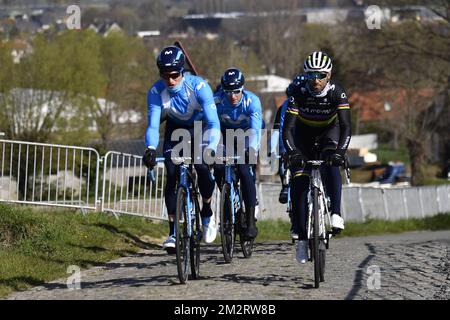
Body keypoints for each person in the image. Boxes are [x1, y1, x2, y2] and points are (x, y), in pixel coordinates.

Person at [142, 46, 221, 253]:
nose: (170, 80)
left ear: (182, 72)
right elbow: (152, 125)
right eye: (165, 76)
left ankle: (206, 211)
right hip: (174, 130)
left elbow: (213, 123)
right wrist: (150, 148)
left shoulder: (199, 87)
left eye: (175, 75)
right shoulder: (156, 92)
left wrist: (211, 148)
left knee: (202, 167)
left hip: (200, 128)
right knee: (171, 175)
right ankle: (173, 232)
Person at [282, 51, 351, 263]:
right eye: (311, 75)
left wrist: (340, 153)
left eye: (320, 75)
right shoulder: (299, 93)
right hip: (302, 137)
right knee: (300, 184)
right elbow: (287, 130)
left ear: (328, 75)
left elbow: (346, 126)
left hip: (329, 133)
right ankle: (302, 240)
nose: (315, 80)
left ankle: (336, 213)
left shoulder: (337, 93)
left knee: (331, 161)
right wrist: (292, 153)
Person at [213, 68, 262, 240]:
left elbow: (256, 130)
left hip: (247, 137)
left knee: (243, 169)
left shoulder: (252, 101)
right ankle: (228, 197)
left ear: (243, 88)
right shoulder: (217, 102)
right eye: (228, 92)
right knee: (218, 167)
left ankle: (249, 221)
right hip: (225, 138)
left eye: (236, 91)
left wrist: (252, 149)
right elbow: (210, 127)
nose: (233, 96)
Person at [270, 74, 307, 239]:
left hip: (306, 141)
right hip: (289, 140)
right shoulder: (284, 107)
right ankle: (285, 185)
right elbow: (278, 132)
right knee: (282, 158)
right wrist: (278, 152)